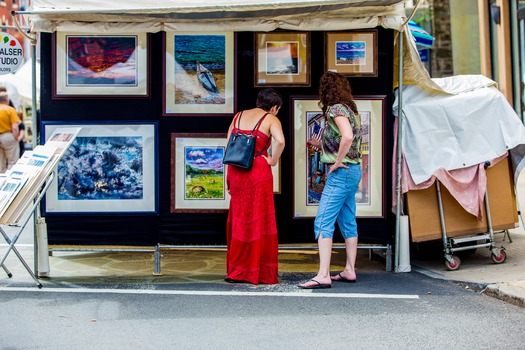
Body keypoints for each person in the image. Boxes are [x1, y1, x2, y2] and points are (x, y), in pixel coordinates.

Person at [299, 72, 362, 289]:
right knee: (347, 220)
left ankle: (323, 274)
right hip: (353, 172)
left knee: (323, 220)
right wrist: (319, 147)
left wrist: (336, 162)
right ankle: (349, 270)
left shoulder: (335, 109)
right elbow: (344, 139)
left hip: (342, 172)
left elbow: (347, 137)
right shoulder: (351, 110)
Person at [225, 88, 285, 285]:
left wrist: (228, 177)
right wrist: (273, 160)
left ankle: (237, 271)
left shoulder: (238, 116)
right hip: (258, 169)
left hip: (236, 170)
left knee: (240, 219)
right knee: (259, 219)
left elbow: (228, 147)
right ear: (275, 107)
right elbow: (280, 141)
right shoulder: (271, 118)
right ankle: (257, 272)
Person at [0, 91, 20, 173]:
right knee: (13, 161)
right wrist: (16, 137)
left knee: (1, 162)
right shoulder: (10, 110)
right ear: (7, 100)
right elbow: (15, 127)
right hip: (8, 136)